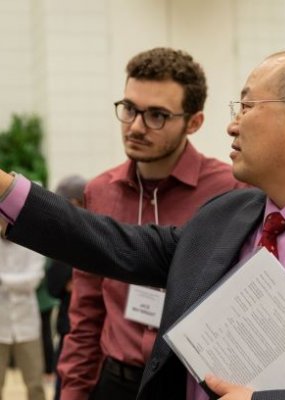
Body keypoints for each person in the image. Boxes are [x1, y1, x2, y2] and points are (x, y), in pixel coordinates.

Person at [0, 49, 285, 400]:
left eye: (246, 107)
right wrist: (8, 192)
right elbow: (113, 244)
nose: (232, 125)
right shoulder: (225, 213)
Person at [58, 47, 245, 400]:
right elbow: (86, 311)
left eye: (157, 115)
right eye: (129, 109)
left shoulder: (231, 193)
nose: (136, 127)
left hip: (190, 384)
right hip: (115, 381)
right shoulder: (100, 192)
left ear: (194, 122)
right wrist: (73, 392)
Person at [45, 175, 87, 400]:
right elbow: (53, 285)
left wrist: (75, 282)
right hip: (67, 330)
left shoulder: (96, 233)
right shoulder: (59, 236)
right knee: (63, 389)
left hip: (95, 335)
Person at [0, 237, 46, 400]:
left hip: (27, 324)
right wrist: (17, 281)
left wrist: (2, 280)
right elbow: (25, 281)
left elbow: (33, 280)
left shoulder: (32, 242)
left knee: (35, 384)